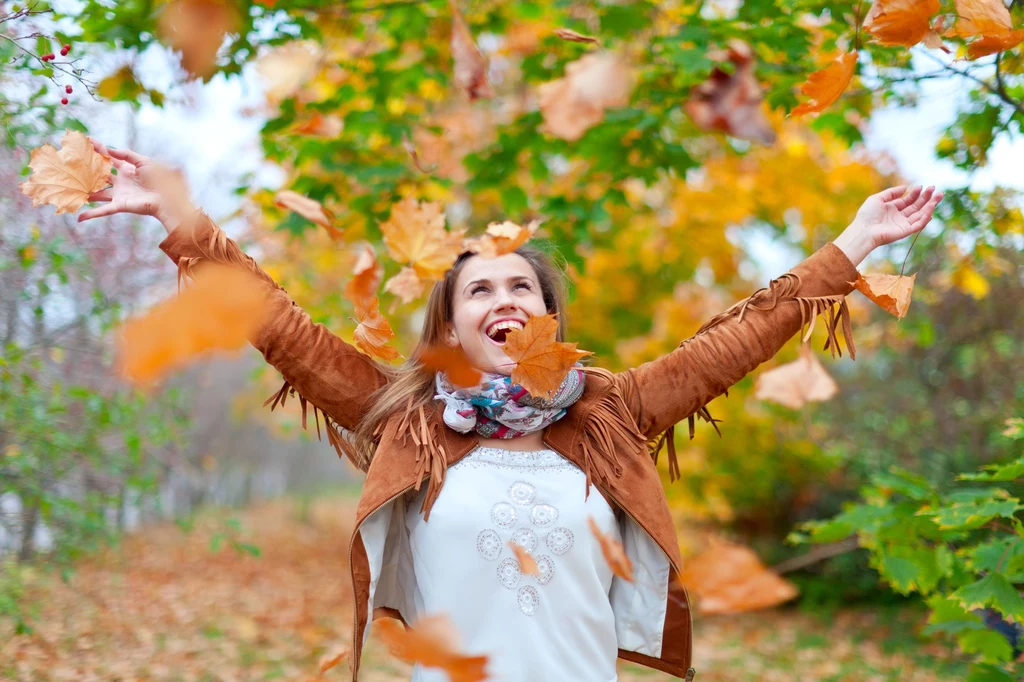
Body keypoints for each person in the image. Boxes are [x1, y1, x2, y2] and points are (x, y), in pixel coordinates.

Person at [79, 138, 943, 682]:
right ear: (451, 323)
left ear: (547, 317)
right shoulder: (405, 416)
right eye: (479, 289)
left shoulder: (612, 412)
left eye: (521, 286)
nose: (504, 298)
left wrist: (854, 245)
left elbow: (739, 336)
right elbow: (282, 326)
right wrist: (186, 223)